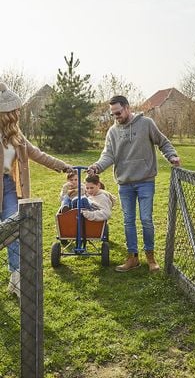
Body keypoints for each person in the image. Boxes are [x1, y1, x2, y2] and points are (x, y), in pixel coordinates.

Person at [87, 95, 180, 273]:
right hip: (125, 184)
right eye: (113, 114)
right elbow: (108, 155)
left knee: (146, 220)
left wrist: (172, 156)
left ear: (128, 108)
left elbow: (163, 142)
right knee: (128, 221)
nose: (116, 117)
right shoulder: (112, 132)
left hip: (145, 181)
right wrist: (97, 167)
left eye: (119, 112)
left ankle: (151, 257)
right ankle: (132, 258)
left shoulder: (146, 124)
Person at [0, 83, 73, 297]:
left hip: (9, 187)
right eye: (17, 109)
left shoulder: (17, 136)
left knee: (14, 230)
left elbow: (38, 154)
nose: (20, 112)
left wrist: (63, 166)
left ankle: (17, 278)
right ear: (7, 113)